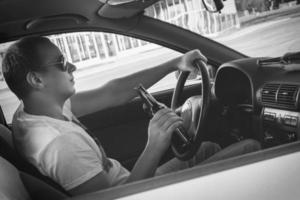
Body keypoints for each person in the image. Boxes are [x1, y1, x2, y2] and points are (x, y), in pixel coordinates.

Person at [2, 36, 260, 196]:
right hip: (140, 192)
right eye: (60, 62)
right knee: (252, 148)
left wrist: (174, 63)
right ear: (36, 79)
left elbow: (113, 92)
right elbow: (120, 197)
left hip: (130, 182)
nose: (72, 66)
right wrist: (154, 144)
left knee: (207, 148)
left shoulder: (32, 112)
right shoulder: (59, 144)